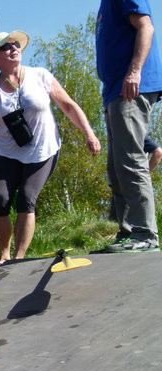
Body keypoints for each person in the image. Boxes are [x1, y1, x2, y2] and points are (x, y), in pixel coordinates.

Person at [0, 31, 101, 266]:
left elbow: (68, 106)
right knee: (0, 200)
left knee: (26, 200)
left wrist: (89, 134)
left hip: (43, 150)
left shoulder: (40, 76)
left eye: (16, 45)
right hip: (8, 153)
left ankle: (20, 258)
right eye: (7, 47)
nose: (14, 48)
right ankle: (4, 256)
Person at [97, 0, 162, 252]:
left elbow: (146, 27)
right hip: (114, 91)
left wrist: (134, 72)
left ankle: (144, 233)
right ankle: (128, 232)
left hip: (132, 86)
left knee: (130, 159)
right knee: (116, 167)